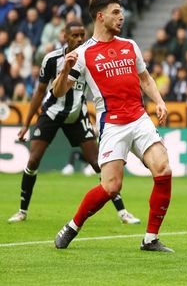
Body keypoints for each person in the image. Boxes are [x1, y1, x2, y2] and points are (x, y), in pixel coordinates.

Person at [51, 0, 173, 252]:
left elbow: (146, 78)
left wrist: (159, 101)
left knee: (163, 169)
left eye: (121, 12)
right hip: (113, 124)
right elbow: (58, 92)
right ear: (100, 16)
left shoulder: (130, 45)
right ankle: (72, 226)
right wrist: (64, 70)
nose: (121, 17)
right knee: (111, 187)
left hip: (139, 118)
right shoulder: (82, 54)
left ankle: (150, 238)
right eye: (116, 12)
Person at [8, 21, 140, 225]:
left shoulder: (90, 56)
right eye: (75, 35)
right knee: (33, 160)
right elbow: (40, 92)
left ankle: (123, 212)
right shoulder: (51, 59)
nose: (79, 39)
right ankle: (22, 210)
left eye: (82, 35)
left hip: (78, 115)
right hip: (51, 114)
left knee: (98, 164)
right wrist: (26, 124)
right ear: (65, 36)